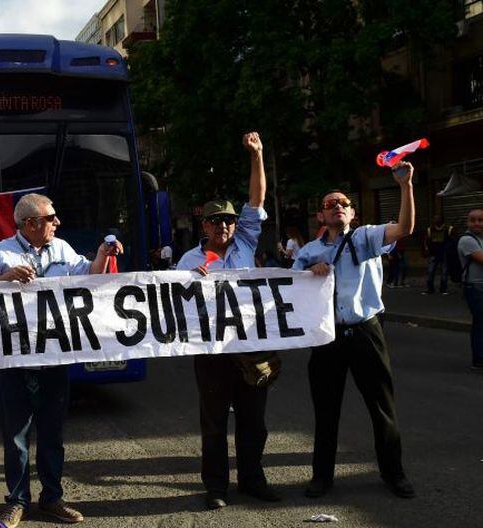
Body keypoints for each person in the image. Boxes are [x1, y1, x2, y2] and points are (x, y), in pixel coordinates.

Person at [0, 192, 122, 527]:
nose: (57, 222)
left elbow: (90, 276)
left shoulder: (63, 249)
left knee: (52, 433)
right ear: (30, 224)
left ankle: (52, 498)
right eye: (50, 217)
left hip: (54, 358)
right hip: (14, 361)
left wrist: (102, 253)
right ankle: (17, 502)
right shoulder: (0, 253)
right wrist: (4, 278)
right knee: (15, 436)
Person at [293, 161, 416, 499]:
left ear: (352, 213)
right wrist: (307, 274)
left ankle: (394, 474)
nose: (337, 207)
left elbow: (404, 228)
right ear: (320, 216)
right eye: (329, 204)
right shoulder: (307, 253)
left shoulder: (367, 237)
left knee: (382, 408)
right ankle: (322, 477)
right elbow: (289, 291)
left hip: (365, 332)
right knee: (326, 410)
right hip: (327, 337)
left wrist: (405, 185)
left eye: (343, 203)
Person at [176, 132, 278, 510]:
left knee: (255, 421)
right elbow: (176, 304)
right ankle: (216, 487)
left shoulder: (246, 244)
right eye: (216, 220)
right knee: (215, 423)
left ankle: (253, 479)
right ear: (203, 225)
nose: (223, 226)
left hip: (250, 346)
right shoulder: (188, 261)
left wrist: (257, 155)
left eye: (229, 221)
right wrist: (193, 284)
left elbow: (257, 199)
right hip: (212, 350)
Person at [457, 209, 483, 370]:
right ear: (467, 222)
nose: (477, 223)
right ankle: (479, 359)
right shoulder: (467, 240)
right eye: (472, 220)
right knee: (480, 323)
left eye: (480, 220)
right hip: (475, 288)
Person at [424, 214, 453, 295]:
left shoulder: (448, 229)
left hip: (444, 253)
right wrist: (427, 250)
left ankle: (443, 289)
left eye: (438, 219)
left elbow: (452, 241)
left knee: (444, 272)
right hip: (434, 254)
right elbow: (426, 241)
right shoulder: (430, 229)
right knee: (430, 271)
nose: (435, 220)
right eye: (434, 219)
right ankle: (430, 289)